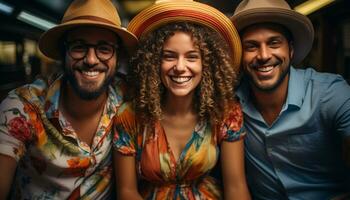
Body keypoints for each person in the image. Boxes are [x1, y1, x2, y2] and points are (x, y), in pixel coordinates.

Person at [112, 0, 251, 199]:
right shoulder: (130, 115)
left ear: (207, 63)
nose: (180, 66)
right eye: (169, 56)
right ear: (153, 62)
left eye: (192, 57)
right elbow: (126, 192)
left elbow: (236, 187)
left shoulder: (225, 111)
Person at [0, 0, 137, 199]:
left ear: (118, 57)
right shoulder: (22, 108)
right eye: (79, 47)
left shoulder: (127, 97)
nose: (91, 60)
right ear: (63, 53)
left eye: (104, 49)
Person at [230, 0, 350, 199]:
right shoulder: (230, 104)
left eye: (274, 43)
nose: (263, 55)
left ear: (291, 50)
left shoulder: (330, 93)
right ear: (240, 55)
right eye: (251, 46)